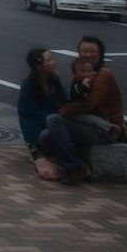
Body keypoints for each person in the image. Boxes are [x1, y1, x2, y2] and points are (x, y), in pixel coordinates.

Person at [17, 48, 90, 184]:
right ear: (39, 67)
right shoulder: (28, 87)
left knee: (61, 127)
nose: (53, 62)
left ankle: (73, 166)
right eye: (49, 60)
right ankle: (75, 166)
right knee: (51, 132)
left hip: (54, 123)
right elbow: (32, 116)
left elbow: (64, 100)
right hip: (38, 130)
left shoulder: (54, 80)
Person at [60, 35, 126, 141]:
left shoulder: (103, 74)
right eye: (84, 51)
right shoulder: (82, 74)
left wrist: (64, 110)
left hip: (107, 128)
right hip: (88, 122)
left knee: (54, 120)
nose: (88, 55)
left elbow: (88, 104)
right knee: (47, 135)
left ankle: (71, 155)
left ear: (100, 54)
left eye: (93, 51)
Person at [68, 59, 121, 141]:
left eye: (90, 71)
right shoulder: (77, 83)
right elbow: (76, 94)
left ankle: (110, 127)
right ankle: (109, 126)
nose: (87, 74)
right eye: (83, 72)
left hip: (92, 113)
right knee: (87, 118)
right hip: (78, 111)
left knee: (92, 118)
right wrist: (84, 86)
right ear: (75, 74)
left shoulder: (98, 80)